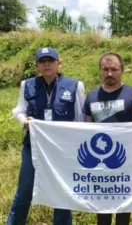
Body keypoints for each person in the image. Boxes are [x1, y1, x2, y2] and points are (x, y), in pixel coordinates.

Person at [8, 47, 85, 225]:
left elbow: (80, 118)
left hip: (62, 150)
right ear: (37, 66)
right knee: (24, 191)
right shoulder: (27, 85)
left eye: (50, 60)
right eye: (42, 61)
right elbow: (18, 110)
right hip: (33, 148)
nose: (46, 64)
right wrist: (23, 120)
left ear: (59, 63)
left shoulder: (75, 86)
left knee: (62, 193)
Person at [82, 52, 132, 225]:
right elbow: (85, 129)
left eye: (114, 69)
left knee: (123, 209)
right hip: (99, 164)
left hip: (126, 162)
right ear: (100, 71)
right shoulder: (91, 96)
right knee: (102, 210)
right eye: (105, 69)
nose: (110, 74)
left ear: (122, 70)